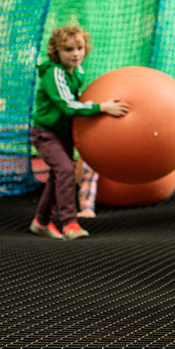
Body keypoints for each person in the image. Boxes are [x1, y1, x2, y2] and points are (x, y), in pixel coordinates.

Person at [29, 25, 129, 240]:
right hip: (46, 134)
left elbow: (78, 99)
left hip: (64, 134)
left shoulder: (77, 71)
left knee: (57, 176)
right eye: (68, 50)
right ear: (57, 52)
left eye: (79, 48)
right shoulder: (54, 73)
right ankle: (70, 223)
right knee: (65, 171)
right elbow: (68, 105)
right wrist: (101, 107)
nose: (75, 54)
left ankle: (41, 221)